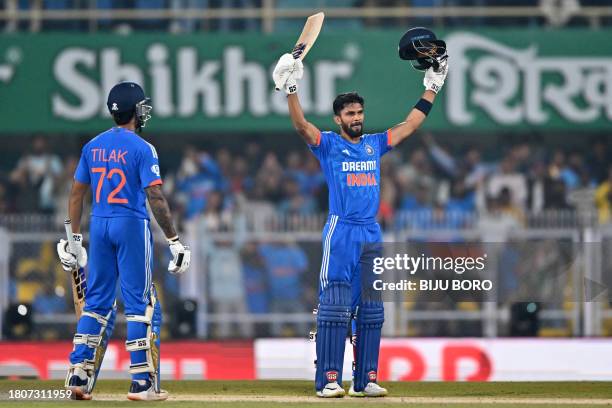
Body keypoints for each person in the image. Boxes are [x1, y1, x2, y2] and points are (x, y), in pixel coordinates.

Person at [272, 47, 448, 397]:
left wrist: (433, 86)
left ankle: (365, 379)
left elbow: (411, 124)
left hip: (371, 232)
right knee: (335, 306)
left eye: (359, 112)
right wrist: (291, 89)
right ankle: (328, 380)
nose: (357, 117)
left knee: (370, 310)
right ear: (338, 119)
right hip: (341, 232)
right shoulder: (328, 145)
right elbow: (301, 126)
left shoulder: (374, 144)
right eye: (350, 113)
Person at [56, 82, 190, 401]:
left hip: (98, 224)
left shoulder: (92, 146)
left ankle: (78, 374)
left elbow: (76, 193)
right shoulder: (143, 149)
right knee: (139, 303)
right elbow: (155, 195)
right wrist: (174, 240)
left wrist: (74, 237)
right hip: (130, 223)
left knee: (97, 303)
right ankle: (141, 382)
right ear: (134, 110)